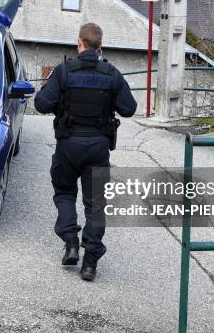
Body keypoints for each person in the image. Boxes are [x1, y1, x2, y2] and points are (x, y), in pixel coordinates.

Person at [34, 23, 137, 281]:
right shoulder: (111, 74)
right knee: (96, 205)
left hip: (68, 145)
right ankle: (90, 262)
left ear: (79, 43)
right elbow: (129, 109)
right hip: (98, 148)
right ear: (100, 46)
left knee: (66, 193)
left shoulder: (64, 71)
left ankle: (70, 242)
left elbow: (41, 103)